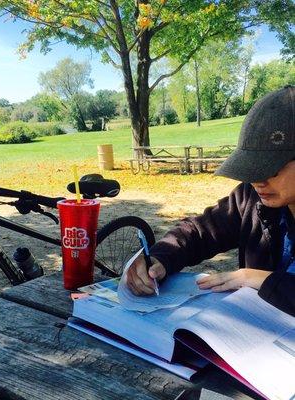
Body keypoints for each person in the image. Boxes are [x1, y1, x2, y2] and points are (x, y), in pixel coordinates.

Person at [126, 85, 295, 316]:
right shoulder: (251, 197)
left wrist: (256, 278)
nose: (257, 181)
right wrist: (159, 258)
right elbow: (199, 230)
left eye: (271, 169)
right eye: (250, 169)